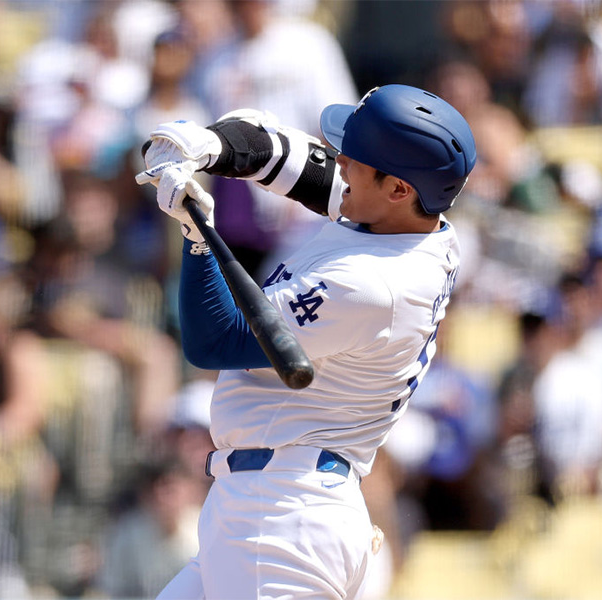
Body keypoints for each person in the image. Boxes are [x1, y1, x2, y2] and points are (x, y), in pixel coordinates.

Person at [134, 83, 476, 598]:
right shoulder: (411, 221)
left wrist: (197, 237)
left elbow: (217, 340)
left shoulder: (373, 284)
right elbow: (292, 163)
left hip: (281, 517)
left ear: (399, 189)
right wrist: (210, 145)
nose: (339, 162)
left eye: (355, 159)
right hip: (276, 500)